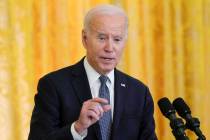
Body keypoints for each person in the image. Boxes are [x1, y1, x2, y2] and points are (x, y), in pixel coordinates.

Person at [28, 4, 157, 140]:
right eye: (101, 38)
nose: (109, 48)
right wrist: (77, 128)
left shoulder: (139, 92)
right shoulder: (53, 85)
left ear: (124, 42)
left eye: (117, 39)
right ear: (85, 39)